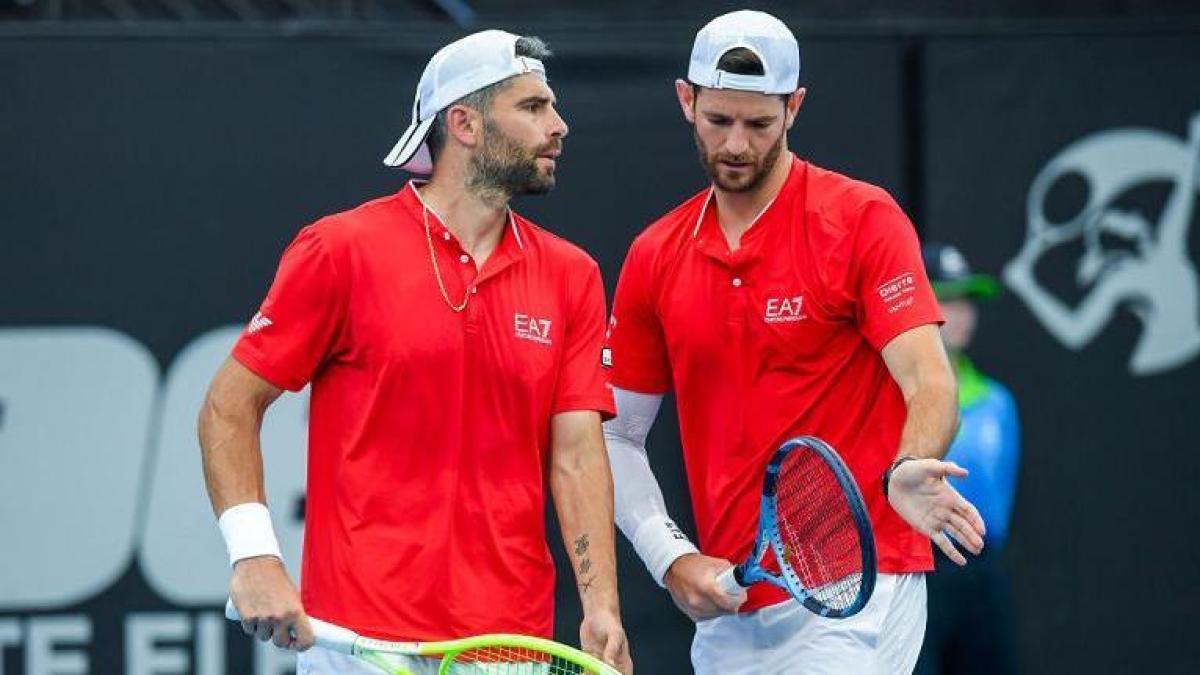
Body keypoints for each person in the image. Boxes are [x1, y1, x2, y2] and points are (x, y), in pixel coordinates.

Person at [198, 30, 632, 675]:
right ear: (464, 123)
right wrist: (254, 556)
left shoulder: (572, 274)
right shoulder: (340, 249)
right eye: (534, 107)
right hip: (358, 643)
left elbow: (575, 454)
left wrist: (602, 606)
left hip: (508, 645)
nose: (560, 126)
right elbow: (227, 408)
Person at [602, 10, 985, 674]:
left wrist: (908, 464)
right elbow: (615, 434)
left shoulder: (863, 219)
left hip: (857, 587)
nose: (738, 145)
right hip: (736, 603)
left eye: (760, 123)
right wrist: (671, 557)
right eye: (718, 121)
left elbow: (930, 381)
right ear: (685, 100)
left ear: (795, 107)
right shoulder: (654, 255)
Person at [915, 243, 1020, 675]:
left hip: (981, 575)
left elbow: (998, 510)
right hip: (916, 574)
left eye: (966, 302)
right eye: (946, 299)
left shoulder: (998, 401)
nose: (959, 314)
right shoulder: (893, 398)